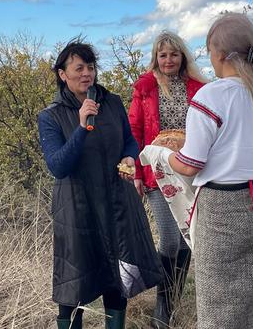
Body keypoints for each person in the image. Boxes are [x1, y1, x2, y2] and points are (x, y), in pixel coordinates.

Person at [168, 13, 253, 329]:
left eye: (209, 52)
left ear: (219, 54)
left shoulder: (211, 96)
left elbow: (190, 164)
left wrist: (165, 157)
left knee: (218, 307)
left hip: (222, 210)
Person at [38, 38, 162, 329]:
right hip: (77, 209)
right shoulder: (51, 116)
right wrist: (82, 127)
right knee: (74, 284)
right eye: (79, 68)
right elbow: (58, 166)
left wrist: (130, 157)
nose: (87, 74)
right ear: (63, 74)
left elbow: (129, 140)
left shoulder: (112, 102)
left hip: (117, 202)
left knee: (117, 278)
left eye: (90, 67)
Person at [128, 31, 207, 328]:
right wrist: (137, 171)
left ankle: (172, 301)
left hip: (189, 171)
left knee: (188, 235)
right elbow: (134, 130)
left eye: (174, 54)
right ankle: (162, 308)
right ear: (156, 58)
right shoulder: (145, 88)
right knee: (170, 238)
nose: (169, 60)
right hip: (156, 172)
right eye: (163, 55)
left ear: (182, 57)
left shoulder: (198, 88)